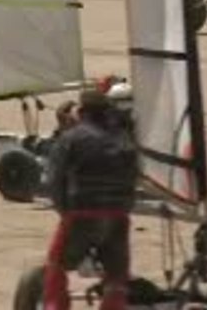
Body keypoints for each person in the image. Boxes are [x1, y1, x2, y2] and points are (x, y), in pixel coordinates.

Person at [42, 88, 139, 310]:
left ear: (83, 112)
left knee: (56, 263)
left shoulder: (72, 138)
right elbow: (133, 178)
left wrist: (65, 211)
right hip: (118, 215)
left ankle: (54, 306)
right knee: (116, 275)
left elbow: (54, 180)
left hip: (82, 213)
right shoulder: (123, 139)